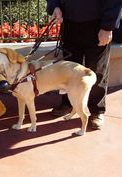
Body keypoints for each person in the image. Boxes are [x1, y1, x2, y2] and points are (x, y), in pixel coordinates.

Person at [46, 0, 122, 130]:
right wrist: (55, 6)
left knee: (97, 69)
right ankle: (68, 103)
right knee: (68, 69)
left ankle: (96, 111)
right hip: (69, 24)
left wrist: (107, 27)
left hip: (97, 24)